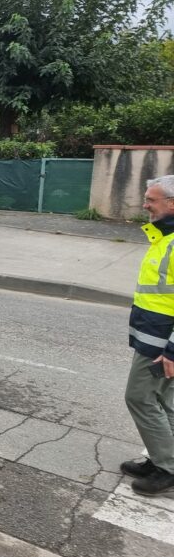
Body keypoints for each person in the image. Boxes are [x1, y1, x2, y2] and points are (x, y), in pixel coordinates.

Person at [121, 175, 174, 497]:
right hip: (156, 336)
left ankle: (167, 468)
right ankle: (161, 459)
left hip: (162, 343)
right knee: (165, 400)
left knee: (139, 397)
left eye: (151, 200)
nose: (145, 205)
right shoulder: (164, 237)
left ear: (172, 204)